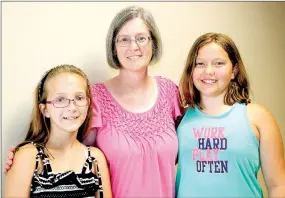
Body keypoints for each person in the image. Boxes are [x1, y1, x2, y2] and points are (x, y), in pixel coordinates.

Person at [5, 6, 182, 198]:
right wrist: (26, 155)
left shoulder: (170, 92)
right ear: (113, 47)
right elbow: (68, 147)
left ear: (153, 43)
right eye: (124, 39)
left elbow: (190, 147)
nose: (134, 46)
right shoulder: (95, 97)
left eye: (141, 38)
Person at [175, 32, 285, 197]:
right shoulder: (179, 117)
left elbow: (278, 185)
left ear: (234, 70)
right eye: (200, 63)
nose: (209, 71)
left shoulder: (258, 117)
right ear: (191, 70)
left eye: (218, 63)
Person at [4, 65, 112, 198]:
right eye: (60, 99)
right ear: (45, 110)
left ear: (88, 104)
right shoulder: (28, 157)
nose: (72, 107)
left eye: (79, 98)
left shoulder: (95, 159)